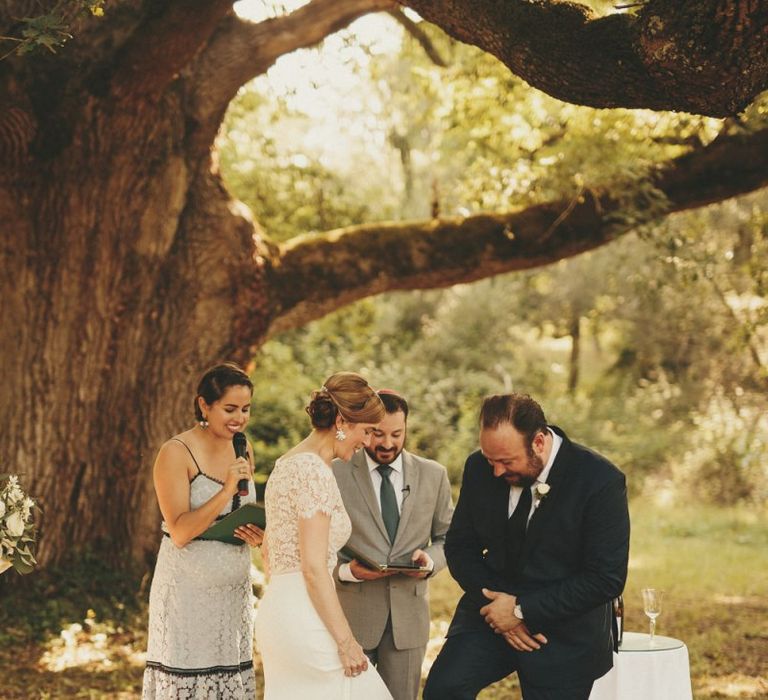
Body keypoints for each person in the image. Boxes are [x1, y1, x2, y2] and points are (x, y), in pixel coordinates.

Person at [424, 393, 630, 700]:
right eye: (490, 459)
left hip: (562, 629)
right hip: (488, 612)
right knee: (444, 689)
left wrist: (521, 610)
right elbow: (460, 546)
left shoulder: (600, 481)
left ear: (538, 443)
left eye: (506, 461)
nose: (495, 471)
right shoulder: (479, 467)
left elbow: (606, 578)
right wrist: (499, 609)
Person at [255, 372, 393, 700]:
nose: (369, 442)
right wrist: (346, 643)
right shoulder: (314, 471)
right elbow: (314, 569)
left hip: (279, 611)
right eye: (367, 431)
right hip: (305, 616)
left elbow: (269, 556)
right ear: (342, 421)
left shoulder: (285, 464)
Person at [143, 362, 264, 699]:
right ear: (204, 405)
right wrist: (225, 490)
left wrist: (257, 534)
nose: (239, 418)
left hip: (233, 593)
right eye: (229, 409)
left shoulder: (243, 446)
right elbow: (180, 531)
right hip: (187, 593)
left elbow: (238, 513)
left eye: (245, 409)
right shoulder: (175, 452)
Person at [333, 390, 454, 700]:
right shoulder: (336, 471)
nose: (387, 443)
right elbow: (315, 548)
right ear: (362, 428)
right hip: (350, 619)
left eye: (396, 434)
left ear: (406, 429)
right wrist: (347, 572)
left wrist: (429, 561)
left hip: (408, 620)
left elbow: (447, 538)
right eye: (377, 433)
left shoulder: (433, 475)